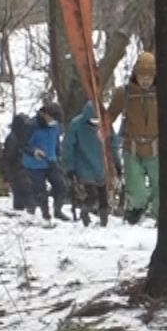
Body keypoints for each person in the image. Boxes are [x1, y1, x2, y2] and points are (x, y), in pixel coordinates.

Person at [108, 52, 159, 223]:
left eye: (150, 76)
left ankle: (160, 215)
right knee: (136, 190)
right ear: (135, 74)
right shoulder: (124, 94)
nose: (146, 80)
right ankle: (138, 207)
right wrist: (103, 127)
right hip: (133, 148)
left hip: (156, 148)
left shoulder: (163, 93)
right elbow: (110, 116)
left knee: (161, 188)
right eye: (142, 75)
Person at [59, 100, 117, 227]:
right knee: (92, 196)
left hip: (101, 165)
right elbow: (68, 147)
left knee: (103, 196)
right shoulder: (76, 125)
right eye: (92, 120)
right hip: (84, 165)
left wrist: (116, 162)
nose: (95, 123)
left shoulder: (105, 124)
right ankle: (84, 213)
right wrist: (69, 167)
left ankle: (104, 221)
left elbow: (113, 143)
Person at [21, 102, 69, 223]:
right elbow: (22, 145)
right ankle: (45, 216)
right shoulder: (31, 126)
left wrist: (58, 155)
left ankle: (57, 210)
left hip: (51, 161)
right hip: (34, 164)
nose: (54, 122)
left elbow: (56, 142)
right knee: (41, 191)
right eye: (52, 119)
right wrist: (34, 151)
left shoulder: (55, 126)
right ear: (45, 114)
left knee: (61, 186)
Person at [0, 113, 37, 214]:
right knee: (27, 197)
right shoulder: (13, 139)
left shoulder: (24, 137)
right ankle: (27, 215)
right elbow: (7, 159)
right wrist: (6, 178)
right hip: (18, 172)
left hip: (24, 171)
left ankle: (21, 215)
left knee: (22, 198)